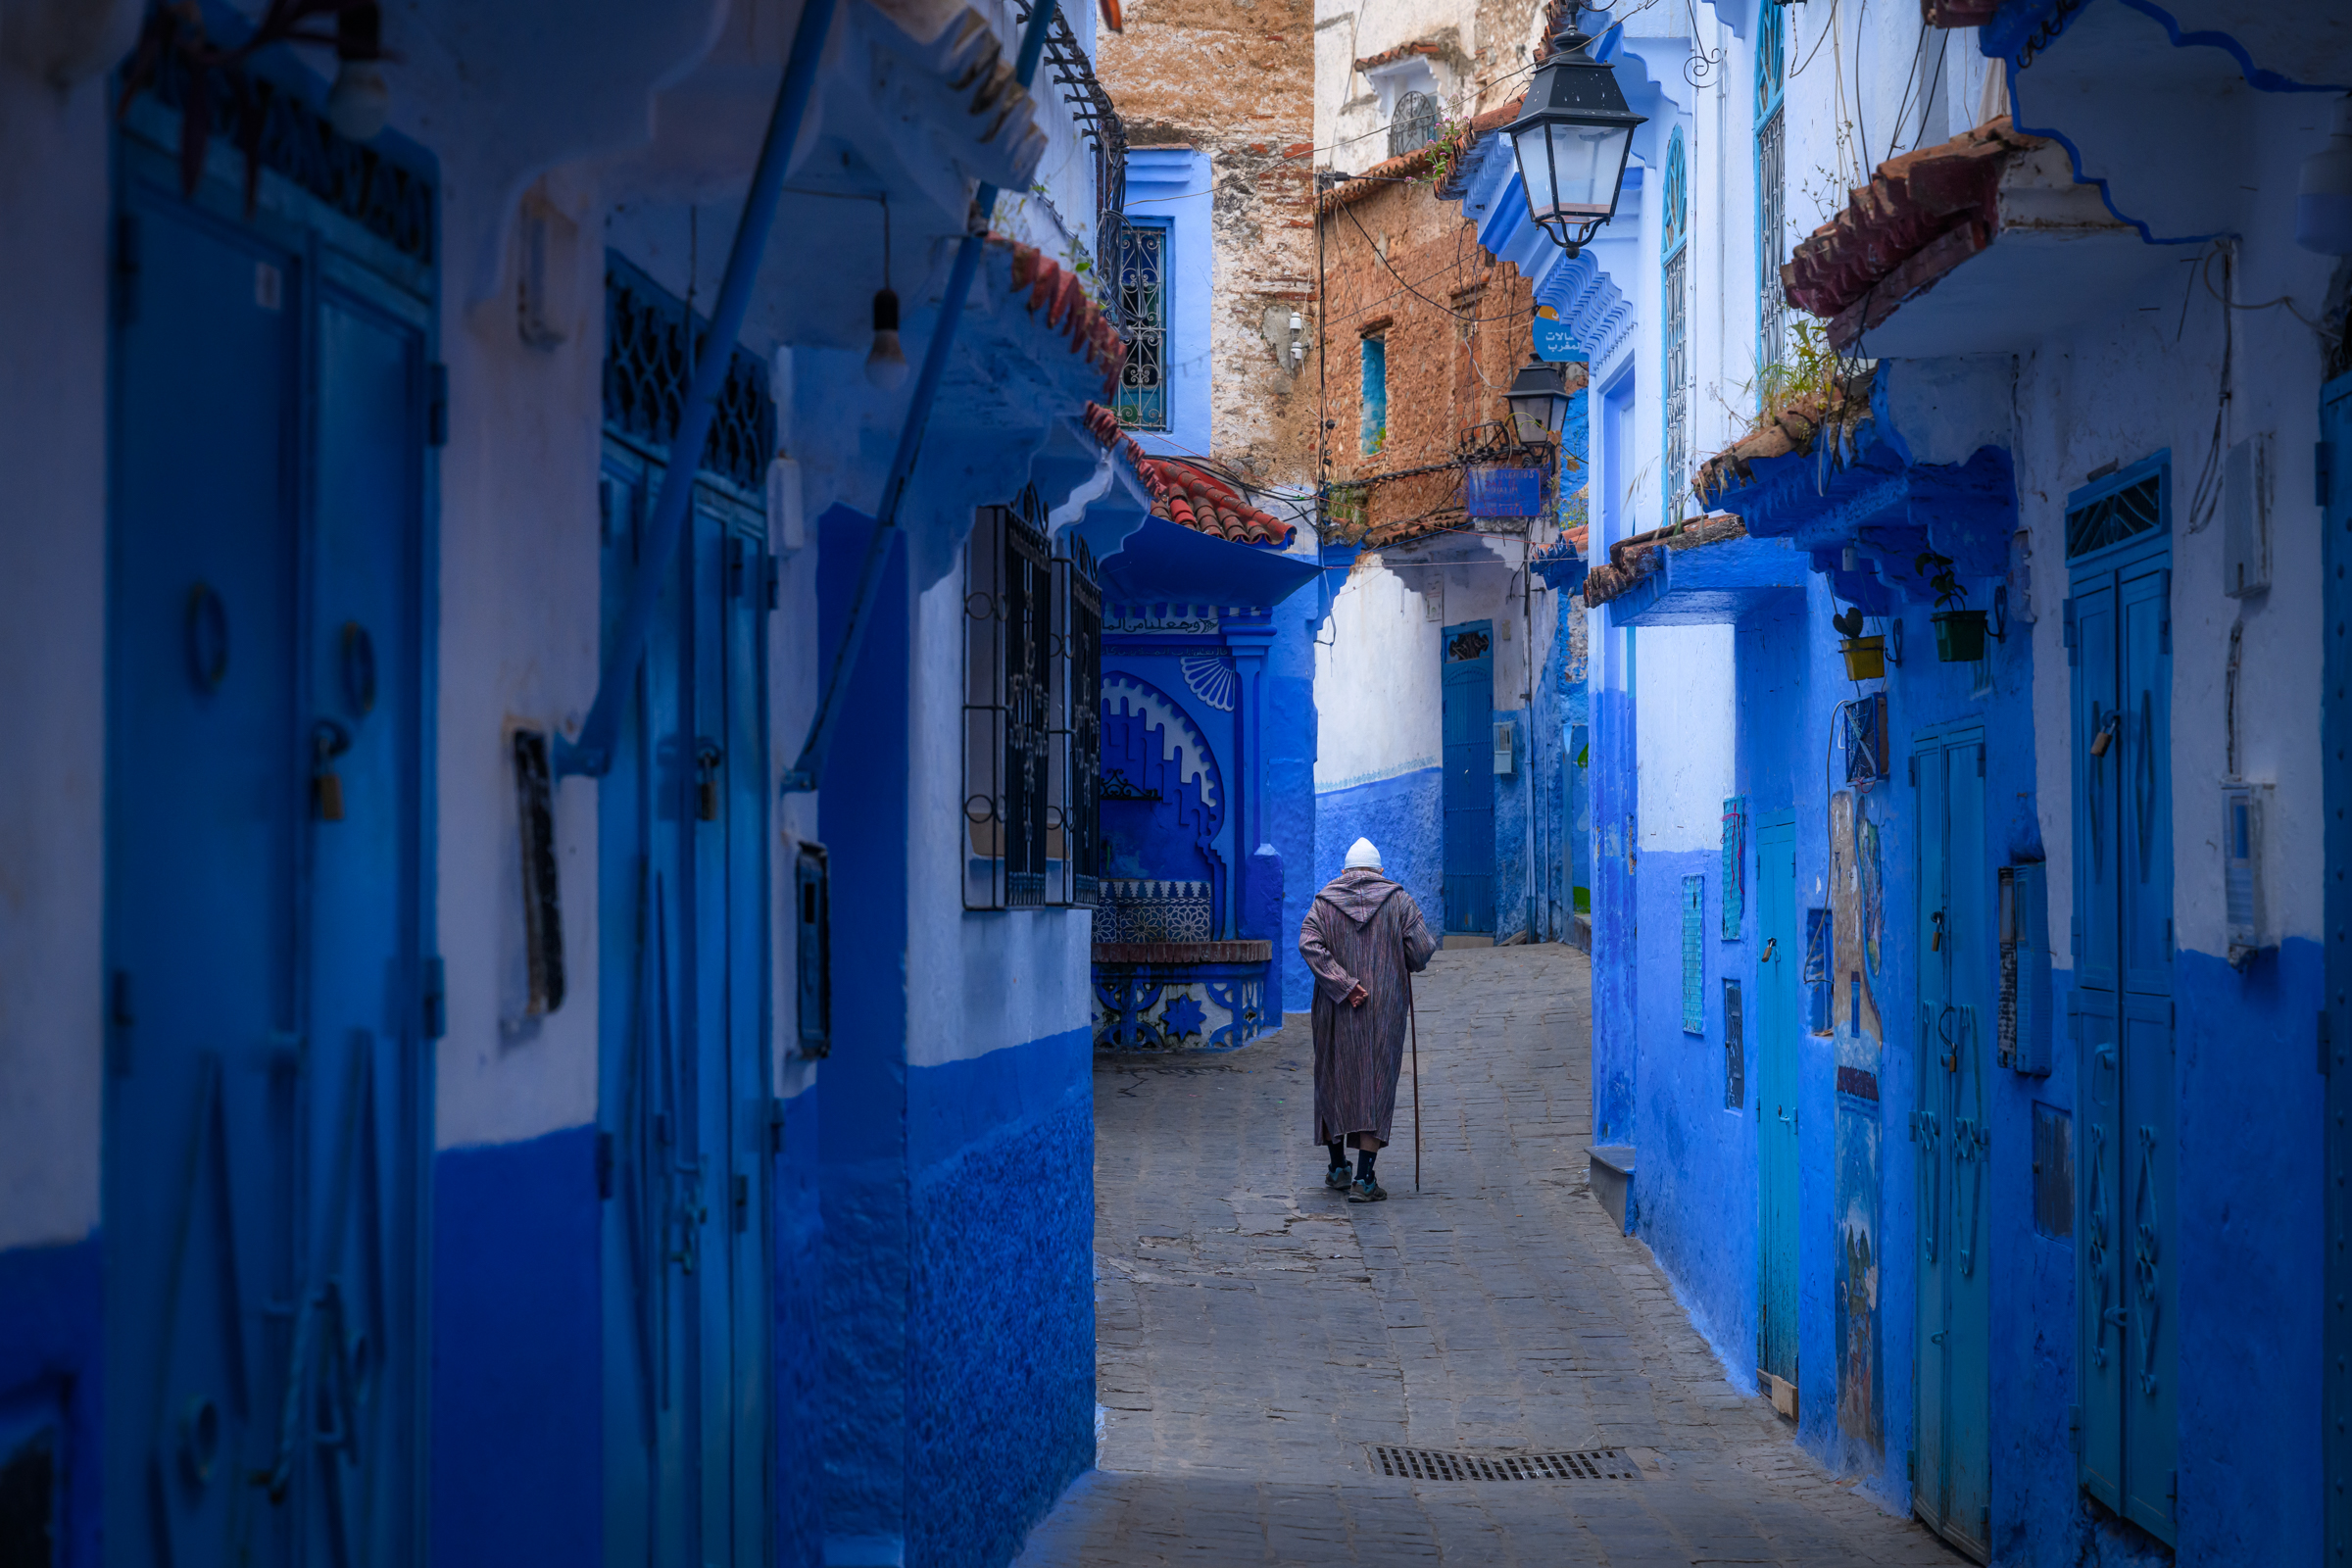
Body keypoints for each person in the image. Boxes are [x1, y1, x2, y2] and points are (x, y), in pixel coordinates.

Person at [1298, 837, 1437, 1202]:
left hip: (1335, 1007)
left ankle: (1338, 1167)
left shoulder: (1323, 903)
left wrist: (1343, 984)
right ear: (1380, 872)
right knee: (1376, 1083)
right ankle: (1364, 1179)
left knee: (1332, 1077)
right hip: (1383, 1010)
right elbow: (1422, 950)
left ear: (1344, 872)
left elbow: (1308, 943)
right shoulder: (1399, 901)